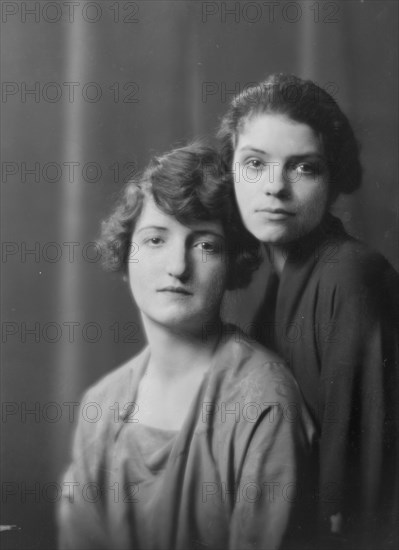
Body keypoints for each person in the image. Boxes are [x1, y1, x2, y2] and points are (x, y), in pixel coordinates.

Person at [57, 143, 316, 550]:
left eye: (205, 245)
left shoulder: (262, 400)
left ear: (232, 263)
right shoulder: (101, 406)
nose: (178, 266)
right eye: (156, 240)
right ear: (125, 257)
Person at [218, 73, 399, 549]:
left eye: (304, 168)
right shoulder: (276, 285)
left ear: (333, 177)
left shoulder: (351, 275)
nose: (275, 187)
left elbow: (364, 499)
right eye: (254, 163)